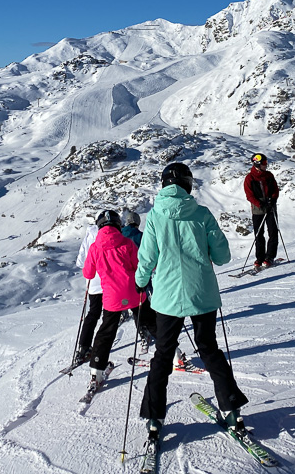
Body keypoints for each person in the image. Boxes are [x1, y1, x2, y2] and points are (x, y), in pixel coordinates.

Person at [137, 162, 248, 442]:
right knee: (209, 349)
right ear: (188, 184)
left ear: (163, 185)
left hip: (166, 297)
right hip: (202, 294)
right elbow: (222, 256)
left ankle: (154, 418)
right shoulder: (201, 214)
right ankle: (231, 410)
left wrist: (139, 282)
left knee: (163, 355)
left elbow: (147, 258)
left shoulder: (154, 217)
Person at [82, 210, 154, 393]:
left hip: (112, 297)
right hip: (134, 292)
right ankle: (174, 355)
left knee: (106, 332)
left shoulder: (95, 247)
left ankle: (96, 372)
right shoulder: (127, 242)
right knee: (152, 322)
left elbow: (88, 274)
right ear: (118, 225)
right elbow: (138, 265)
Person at [74, 218, 105, 366]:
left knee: (93, 314)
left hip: (92, 283)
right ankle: (101, 346)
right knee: (110, 315)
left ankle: (83, 348)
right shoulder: (108, 234)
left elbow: (80, 261)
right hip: (109, 281)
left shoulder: (88, 236)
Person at [243, 153, 279, 268]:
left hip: (270, 206)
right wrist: (261, 204)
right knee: (259, 234)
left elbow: (275, 189)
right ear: (257, 164)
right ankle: (260, 258)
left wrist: (272, 200)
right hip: (258, 209)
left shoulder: (269, 175)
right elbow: (249, 195)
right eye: (264, 163)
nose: (266, 165)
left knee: (273, 231)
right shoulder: (250, 178)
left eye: (266, 163)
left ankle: (270, 257)